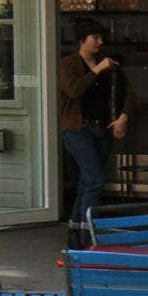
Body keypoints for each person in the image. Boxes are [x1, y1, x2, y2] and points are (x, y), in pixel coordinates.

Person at [57, 20, 131, 244]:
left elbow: (128, 92)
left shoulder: (110, 65)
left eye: (101, 37)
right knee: (95, 178)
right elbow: (74, 90)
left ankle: (75, 228)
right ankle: (89, 231)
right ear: (82, 40)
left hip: (102, 128)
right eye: (95, 38)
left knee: (88, 180)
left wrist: (123, 117)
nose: (100, 42)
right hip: (78, 129)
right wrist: (97, 70)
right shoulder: (68, 64)